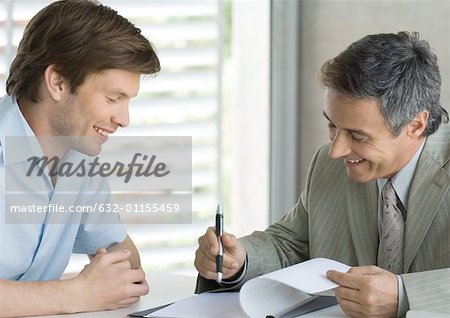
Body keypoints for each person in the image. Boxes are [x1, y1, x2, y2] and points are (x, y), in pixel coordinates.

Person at [195, 31, 450, 317]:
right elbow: (291, 244)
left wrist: (404, 295)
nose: (336, 150)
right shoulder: (331, 165)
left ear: (415, 125)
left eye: (357, 135)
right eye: (332, 126)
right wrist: (239, 260)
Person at [0, 0, 160, 316]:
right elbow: (85, 293)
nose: (124, 119)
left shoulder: (78, 158)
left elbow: (124, 263)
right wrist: (76, 293)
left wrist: (114, 274)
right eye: (113, 98)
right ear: (58, 82)